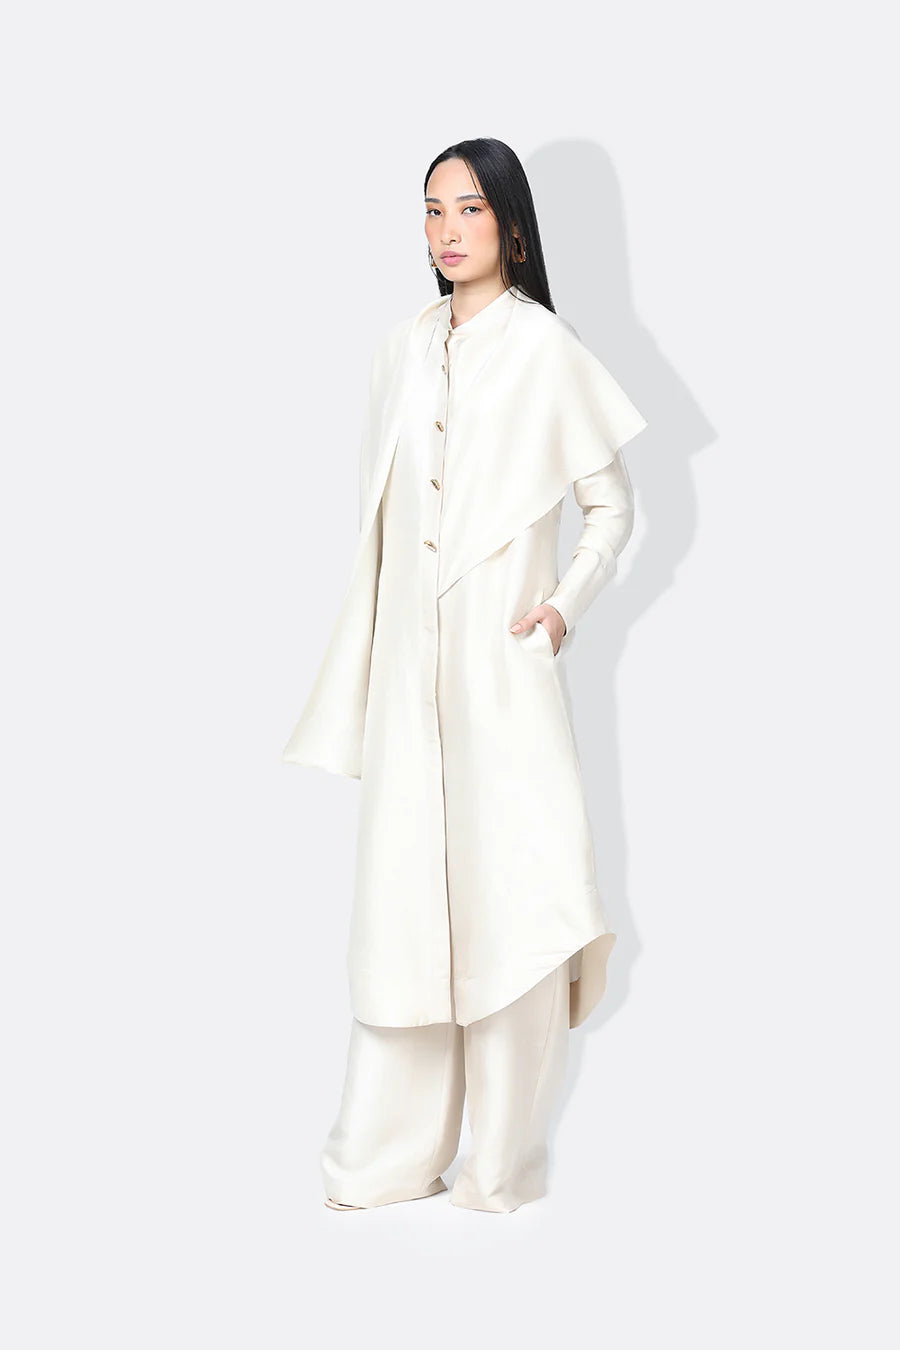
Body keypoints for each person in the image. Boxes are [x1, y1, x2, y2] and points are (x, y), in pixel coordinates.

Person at [283, 138, 648, 1213]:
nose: (448, 229)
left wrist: (560, 608)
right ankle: (387, 1157)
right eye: (433, 209)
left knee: (517, 898)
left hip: (503, 667)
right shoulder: (400, 350)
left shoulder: (545, 348)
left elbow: (612, 507)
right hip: (409, 673)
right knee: (403, 904)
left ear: (513, 228)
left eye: (471, 209)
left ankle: (502, 1167)